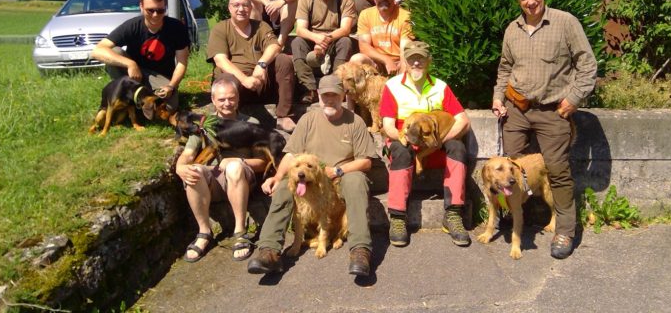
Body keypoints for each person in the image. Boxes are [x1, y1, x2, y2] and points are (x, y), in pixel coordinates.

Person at [491, 0, 598, 260]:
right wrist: (498, 97)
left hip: (553, 111)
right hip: (517, 108)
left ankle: (565, 230)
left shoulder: (565, 22)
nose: (531, 1)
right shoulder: (512, 30)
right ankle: (516, 220)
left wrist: (574, 98)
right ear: (518, 1)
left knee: (557, 169)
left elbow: (587, 64)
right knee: (512, 168)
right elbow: (505, 68)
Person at [246, 74, 378, 277]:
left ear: (343, 95)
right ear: (318, 95)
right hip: (309, 177)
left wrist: (338, 171)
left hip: (339, 176)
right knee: (282, 187)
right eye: (325, 96)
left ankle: (360, 249)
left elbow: (366, 161)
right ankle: (269, 250)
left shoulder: (355, 122)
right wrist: (276, 176)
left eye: (334, 95)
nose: (330, 100)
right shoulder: (308, 120)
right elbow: (291, 155)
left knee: (357, 180)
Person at [379, 41, 472, 247]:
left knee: (457, 147)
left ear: (428, 61)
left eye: (420, 58)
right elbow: (388, 125)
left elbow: (462, 120)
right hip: (403, 139)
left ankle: (454, 213)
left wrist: (440, 142)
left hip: (435, 141)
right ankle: (397, 216)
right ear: (404, 61)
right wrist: (403, 139)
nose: (416, 63)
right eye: (411, 58)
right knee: (400, 151)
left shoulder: (440, 86)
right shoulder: (392, 86)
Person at [175, 76, 270, 262]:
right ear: (213, 100)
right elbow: (188, 154)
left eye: (231, 98)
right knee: (193, 170)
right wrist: (180, 167)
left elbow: (262, 163)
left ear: (238, 98)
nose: (227, 103)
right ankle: (204, 232)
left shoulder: (251, 123)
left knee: (234, 167)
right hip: (214, 183)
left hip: (241, 179)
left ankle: (240, 232)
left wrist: (238, 160)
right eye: (221, 99)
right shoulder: (204, 125)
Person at [207, 0, 297, 132]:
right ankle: (229, 119)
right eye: (236, 5)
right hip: (237, 85)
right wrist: (244, 79)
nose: (241, 9)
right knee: (225, 78)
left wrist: (261, 65)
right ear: (229, 8)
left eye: (245, 5)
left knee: (283, 60)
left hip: (261, 81)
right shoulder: (220, 29)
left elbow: (274, 46)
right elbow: (220, 60)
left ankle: (284, 115)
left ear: (251, 8)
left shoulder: (261, 26)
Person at [91, 0, 190, 109]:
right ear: (141, 7)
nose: (155, 15)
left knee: (170, 107)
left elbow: (182, 62)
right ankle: (127, 96)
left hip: (160, 77)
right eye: (150, 10)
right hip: (134, 75)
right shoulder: (132, 26)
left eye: (160, 10)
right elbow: (98, 50)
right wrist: (130, 64)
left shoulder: (176, 27)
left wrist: (171, 85)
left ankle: (140, 102)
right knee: (115, 51)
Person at [291, 0, 356, 103]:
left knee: (346, 41)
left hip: (335, 38)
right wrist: (316, 38)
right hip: (312, 39)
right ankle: (309, 88)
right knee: (297, 42)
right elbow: (300, 29)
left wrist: (326, 39)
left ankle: (335, 85)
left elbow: (345, 29)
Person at [350, 0, 414, 75]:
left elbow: (405, 51)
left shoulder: (405, 16)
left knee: (407, 62)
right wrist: (386, 60)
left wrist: (399, 70)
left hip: (398, 62)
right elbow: (364, 46)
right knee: (357, 59)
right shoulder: (366, 14)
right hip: (377, 62)